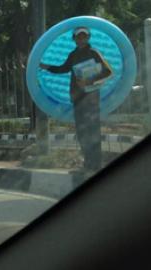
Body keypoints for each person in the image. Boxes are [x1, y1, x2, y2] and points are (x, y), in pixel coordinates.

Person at [40, 27, 113, 172]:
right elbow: (63, 69)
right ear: (74, 39)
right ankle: (88, 164)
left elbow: (108, 71)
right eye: (78, 37)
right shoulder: (73, 54)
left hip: (91, 99)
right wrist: (46, 66)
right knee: (82, 133)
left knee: (92, 132)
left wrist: (89, 81)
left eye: (84, 36)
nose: (81, 39)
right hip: (77, 98)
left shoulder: (93, 53)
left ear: (88, 38)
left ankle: (96, 165)